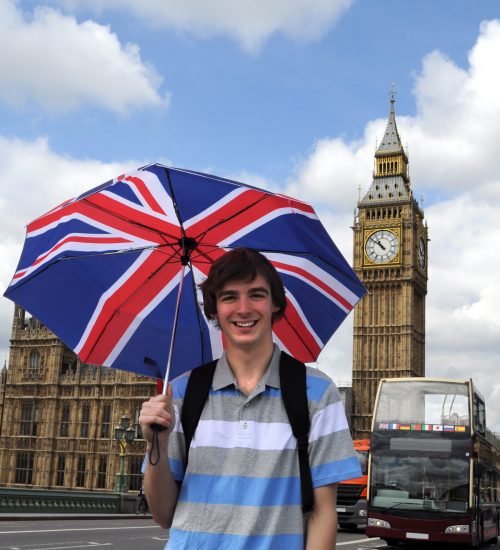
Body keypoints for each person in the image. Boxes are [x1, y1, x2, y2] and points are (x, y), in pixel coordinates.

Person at [139, 247, 361, 549]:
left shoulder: (317, 393)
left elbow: (323, 513)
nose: (244, 308)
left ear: (275, 304)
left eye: (256, 295)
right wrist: (158, 445)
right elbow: (163, 515)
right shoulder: (181, 392)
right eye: (229, 297)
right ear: (215, 309)